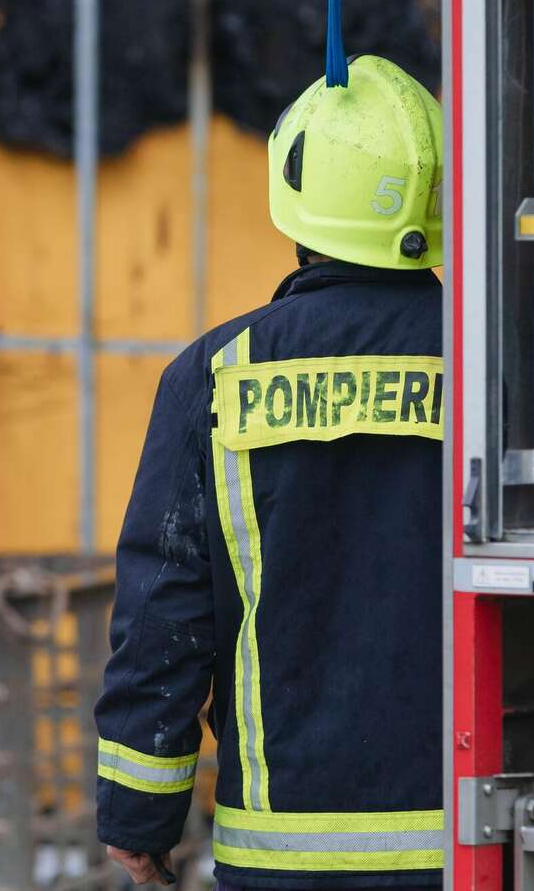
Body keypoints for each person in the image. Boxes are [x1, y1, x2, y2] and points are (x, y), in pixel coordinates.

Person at [93, 55, 447, 890]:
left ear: (296, 195)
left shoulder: (216, 375)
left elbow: (163, 614)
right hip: (475, 839)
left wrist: (139, 821)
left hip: (283, 857)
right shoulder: (497, 366)